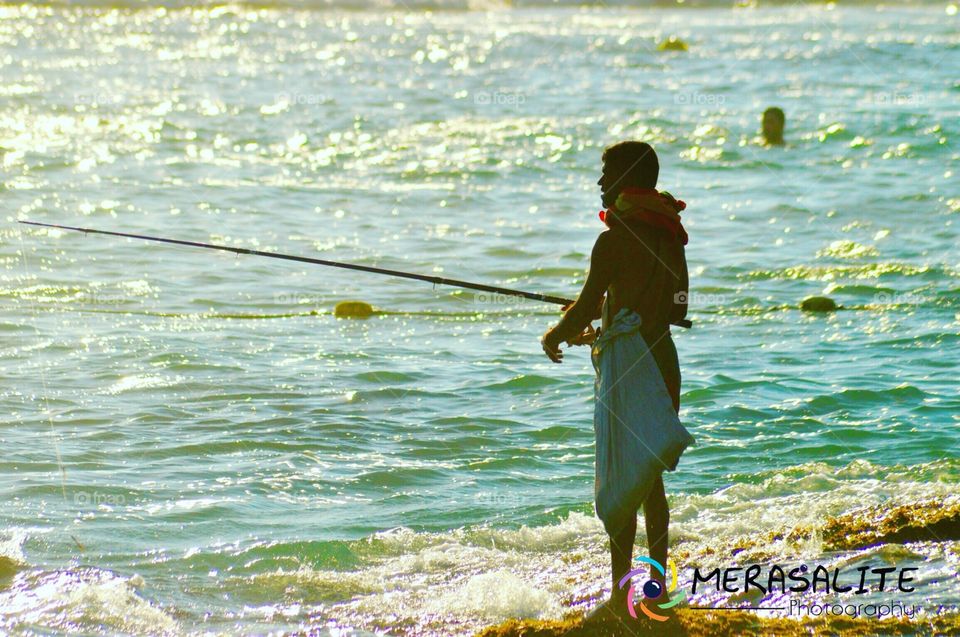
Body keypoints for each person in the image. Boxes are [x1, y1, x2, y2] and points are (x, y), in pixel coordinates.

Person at [541, 141, 695, 620]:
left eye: (606, 173)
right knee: (649, 481)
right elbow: (677, 308)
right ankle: (654, 589)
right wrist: (622, 316)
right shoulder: (671, 235)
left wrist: (556, 334)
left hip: (627, 369)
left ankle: (618, 596)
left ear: (626, 179)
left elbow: (586, 308)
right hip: (662, 362)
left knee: (620, 479)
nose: (600, 183)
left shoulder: (613, 240)